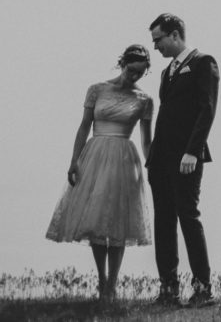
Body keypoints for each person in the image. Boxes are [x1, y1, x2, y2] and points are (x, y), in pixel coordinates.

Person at [45, 44, 154, 301]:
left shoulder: (145, 100)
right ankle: (101, 280)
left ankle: (112, 285)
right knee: (96, 218)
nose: (134, 76)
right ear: (122, 64)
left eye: (140, 73)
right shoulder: (97, 90)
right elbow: (84, 126)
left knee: (118, 220)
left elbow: (147, 140)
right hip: (95, 155)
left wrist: (152, 168)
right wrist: (74, 160)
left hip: (124, 159)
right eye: (131, 70)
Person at [147, 12, 220, 308]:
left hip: (186, 157)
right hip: (160, 159)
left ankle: (203, 288)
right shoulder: (167, 73)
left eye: (158, 39)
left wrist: (193, 150)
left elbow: (207, 109)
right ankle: (168, 289)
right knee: (163, 221)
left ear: (175, 34)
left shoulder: (203, 63)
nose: (155, 47)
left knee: (187, 216)